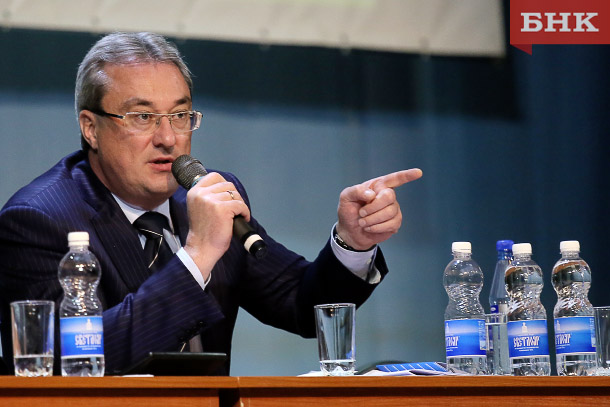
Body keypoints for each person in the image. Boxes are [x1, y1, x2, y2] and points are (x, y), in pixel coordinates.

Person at [0, 32, 422, 375]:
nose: (168, 138)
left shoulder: (208, 196)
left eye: (180, 115)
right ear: (91, 128)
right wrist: (198, 255)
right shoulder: (38, 220)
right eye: (143, 117)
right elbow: (66, 363)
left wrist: (352, 242)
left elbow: (302, 306)